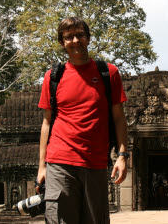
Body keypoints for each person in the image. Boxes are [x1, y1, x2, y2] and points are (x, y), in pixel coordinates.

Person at [36, 17, 129, 224]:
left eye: (80, 35)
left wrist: (122, 156)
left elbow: (119, 118)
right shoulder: (53, 77)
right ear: (62, 43)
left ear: (88, 38)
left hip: (94, 162)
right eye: (69, 37)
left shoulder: (109, 73)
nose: (75, 40)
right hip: (60, 160)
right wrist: (42, 167)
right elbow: (46, 123)